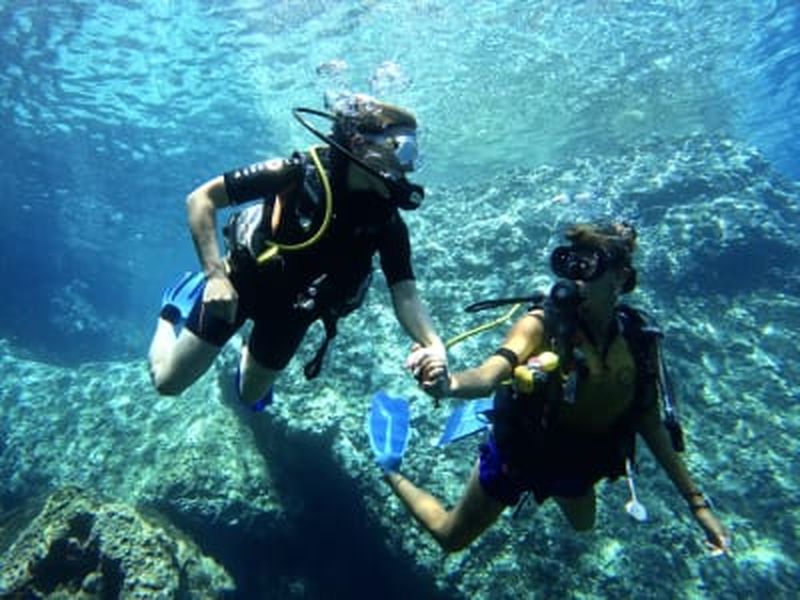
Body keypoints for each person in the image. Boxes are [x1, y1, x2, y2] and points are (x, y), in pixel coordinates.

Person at [386, 222, 730, 554]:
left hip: (577, 461)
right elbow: (490, 373)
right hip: (519, 454)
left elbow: (650, 425)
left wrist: (697, 505)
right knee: (450, 537)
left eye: (588, 266)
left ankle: (518, 449)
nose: (574, 276)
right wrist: (450, 384)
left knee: (584, 526)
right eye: (568, 263)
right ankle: (391, 472)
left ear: (620, 278)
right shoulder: (541, 325)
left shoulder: (639, 342)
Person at [148, 93, 447, 409]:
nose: (409, 166)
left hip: (294, 311)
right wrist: (215, 276)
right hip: (240, 284)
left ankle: (250, 343)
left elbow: (406, 295)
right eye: (402, 150)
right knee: (168, 382)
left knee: (250, 396)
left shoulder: (386, 221)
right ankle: (170, 314)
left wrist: (434, 346)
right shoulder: (295, 172)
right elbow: (201, 200)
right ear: (360, 143)